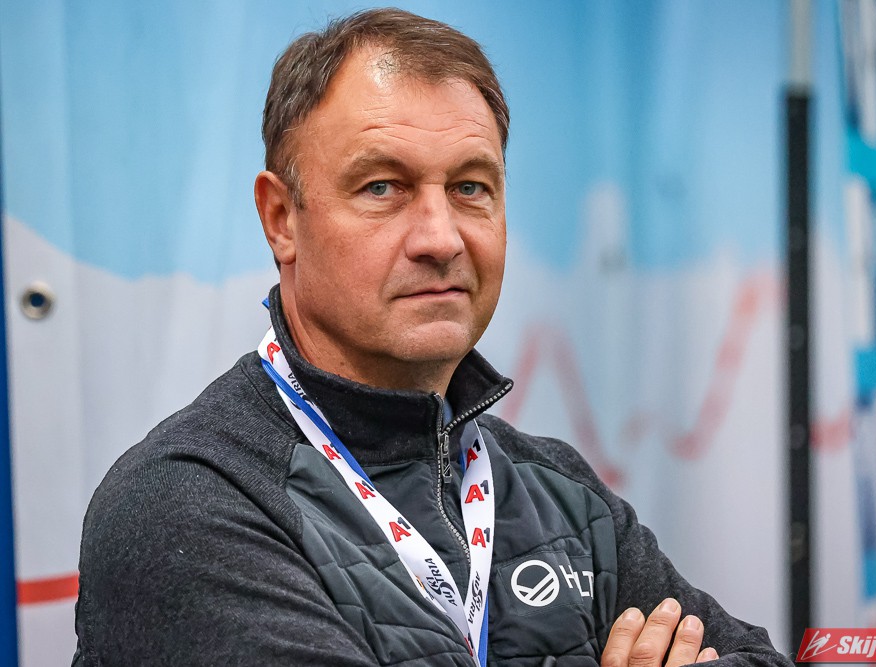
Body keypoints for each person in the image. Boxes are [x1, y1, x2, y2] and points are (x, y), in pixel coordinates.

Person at [73, 8, 792, 666]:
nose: (441, 238)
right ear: (281, 219)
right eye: (382, 187)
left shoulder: (559, 491)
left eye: (470, 187)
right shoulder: (191, 503)